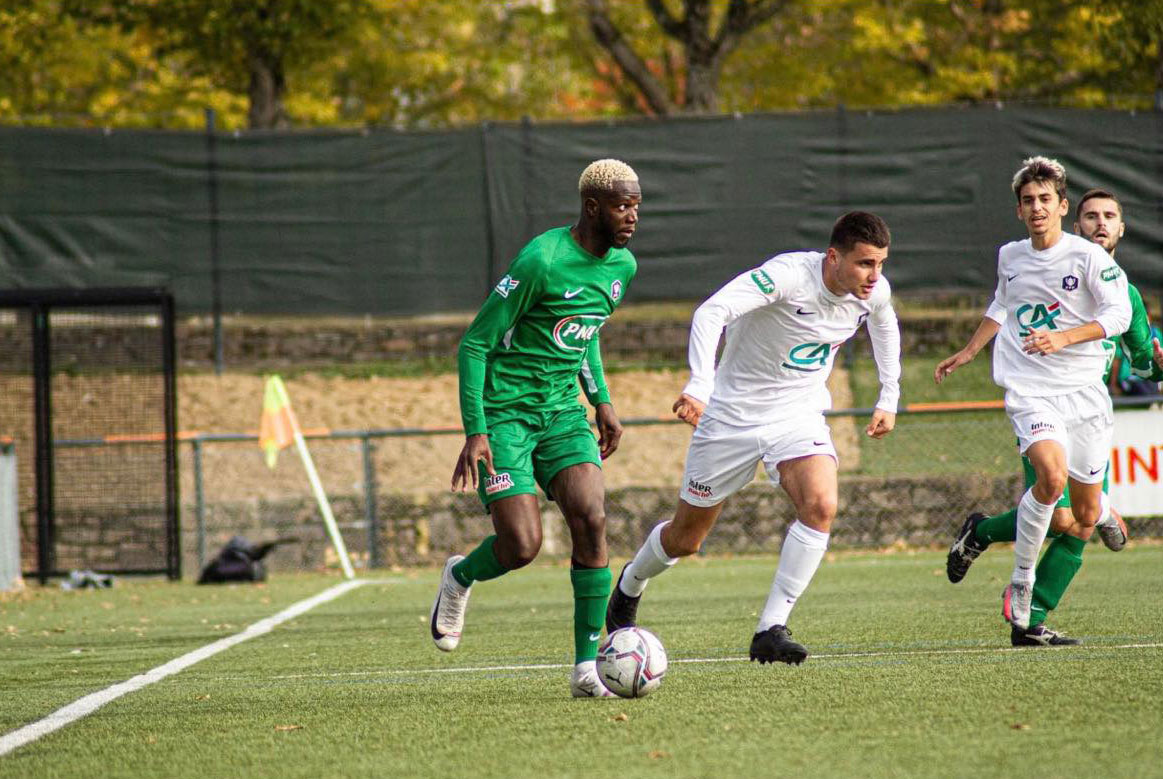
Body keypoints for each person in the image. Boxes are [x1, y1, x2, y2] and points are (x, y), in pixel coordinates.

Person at [605, 211, 901, 665]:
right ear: (834, 256)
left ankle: (771, 627)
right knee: (685, 539)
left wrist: (889, 395)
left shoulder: (873, 292)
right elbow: (711, 312)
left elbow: (884, 325)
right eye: (864, 263)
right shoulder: (787, 276)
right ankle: (631, 583)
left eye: (880, 263)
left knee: (821, 504)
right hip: (730, 418)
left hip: (797, 415)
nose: (874, 275)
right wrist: (699, 385)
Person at [429, 159, 641, 698]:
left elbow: (586, 331)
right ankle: (460, 576)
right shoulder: (541, 260)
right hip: (506, 416)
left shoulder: (623, 267)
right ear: (592, 206)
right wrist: (476, 430)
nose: (632, 215)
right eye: (622, 205)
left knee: (592, 520)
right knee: (522, 545)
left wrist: (602, 401)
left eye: (637, 204)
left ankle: (586, 669)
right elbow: (475, 343)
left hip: (563, 415)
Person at [944, 187, 1163, 646]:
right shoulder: (1042, 265)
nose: (1100, 223)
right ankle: (982, 535)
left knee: (1079, 522)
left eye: (1110, 216)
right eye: (1090, 216)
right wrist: (970, 351)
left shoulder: (1125, 296)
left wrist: (1156, 364)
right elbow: (1003, 305)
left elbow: (1142, 359)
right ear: (1073, 222)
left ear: (1122, 228)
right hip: (1041, 401)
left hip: (1087, 408)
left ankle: (1032, 617)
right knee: (1061, 515)